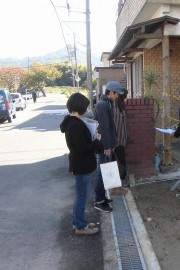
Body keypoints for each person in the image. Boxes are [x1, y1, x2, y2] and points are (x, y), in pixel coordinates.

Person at [60, 92, 102, 236]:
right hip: (81, 164)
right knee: (81, 196)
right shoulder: (75, 125)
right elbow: (83, 148)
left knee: (81, 195)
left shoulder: (72, 122)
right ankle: (80, 227)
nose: (87, 109)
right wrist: (96, 140)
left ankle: (79, 222)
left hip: (80, 163)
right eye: (86, 106)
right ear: (80, 106)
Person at [93, 81, 124, 212]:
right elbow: (104, 127)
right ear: (111, 92)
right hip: (105, 145)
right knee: (102, 173)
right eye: (117, 94)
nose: (118, 96)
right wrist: (106, 146)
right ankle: (99, 200)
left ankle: (102, 197)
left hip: (108, 144)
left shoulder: (106, 103)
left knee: (104, 172)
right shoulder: (103, 105)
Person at [113, 88, 129, 188]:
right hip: (117, 138)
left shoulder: (119, 105)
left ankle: (121, 178)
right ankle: (119, 180)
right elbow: (117, 123)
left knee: (120, 159)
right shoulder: (114, 106)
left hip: (119, 138)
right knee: (120, 159)